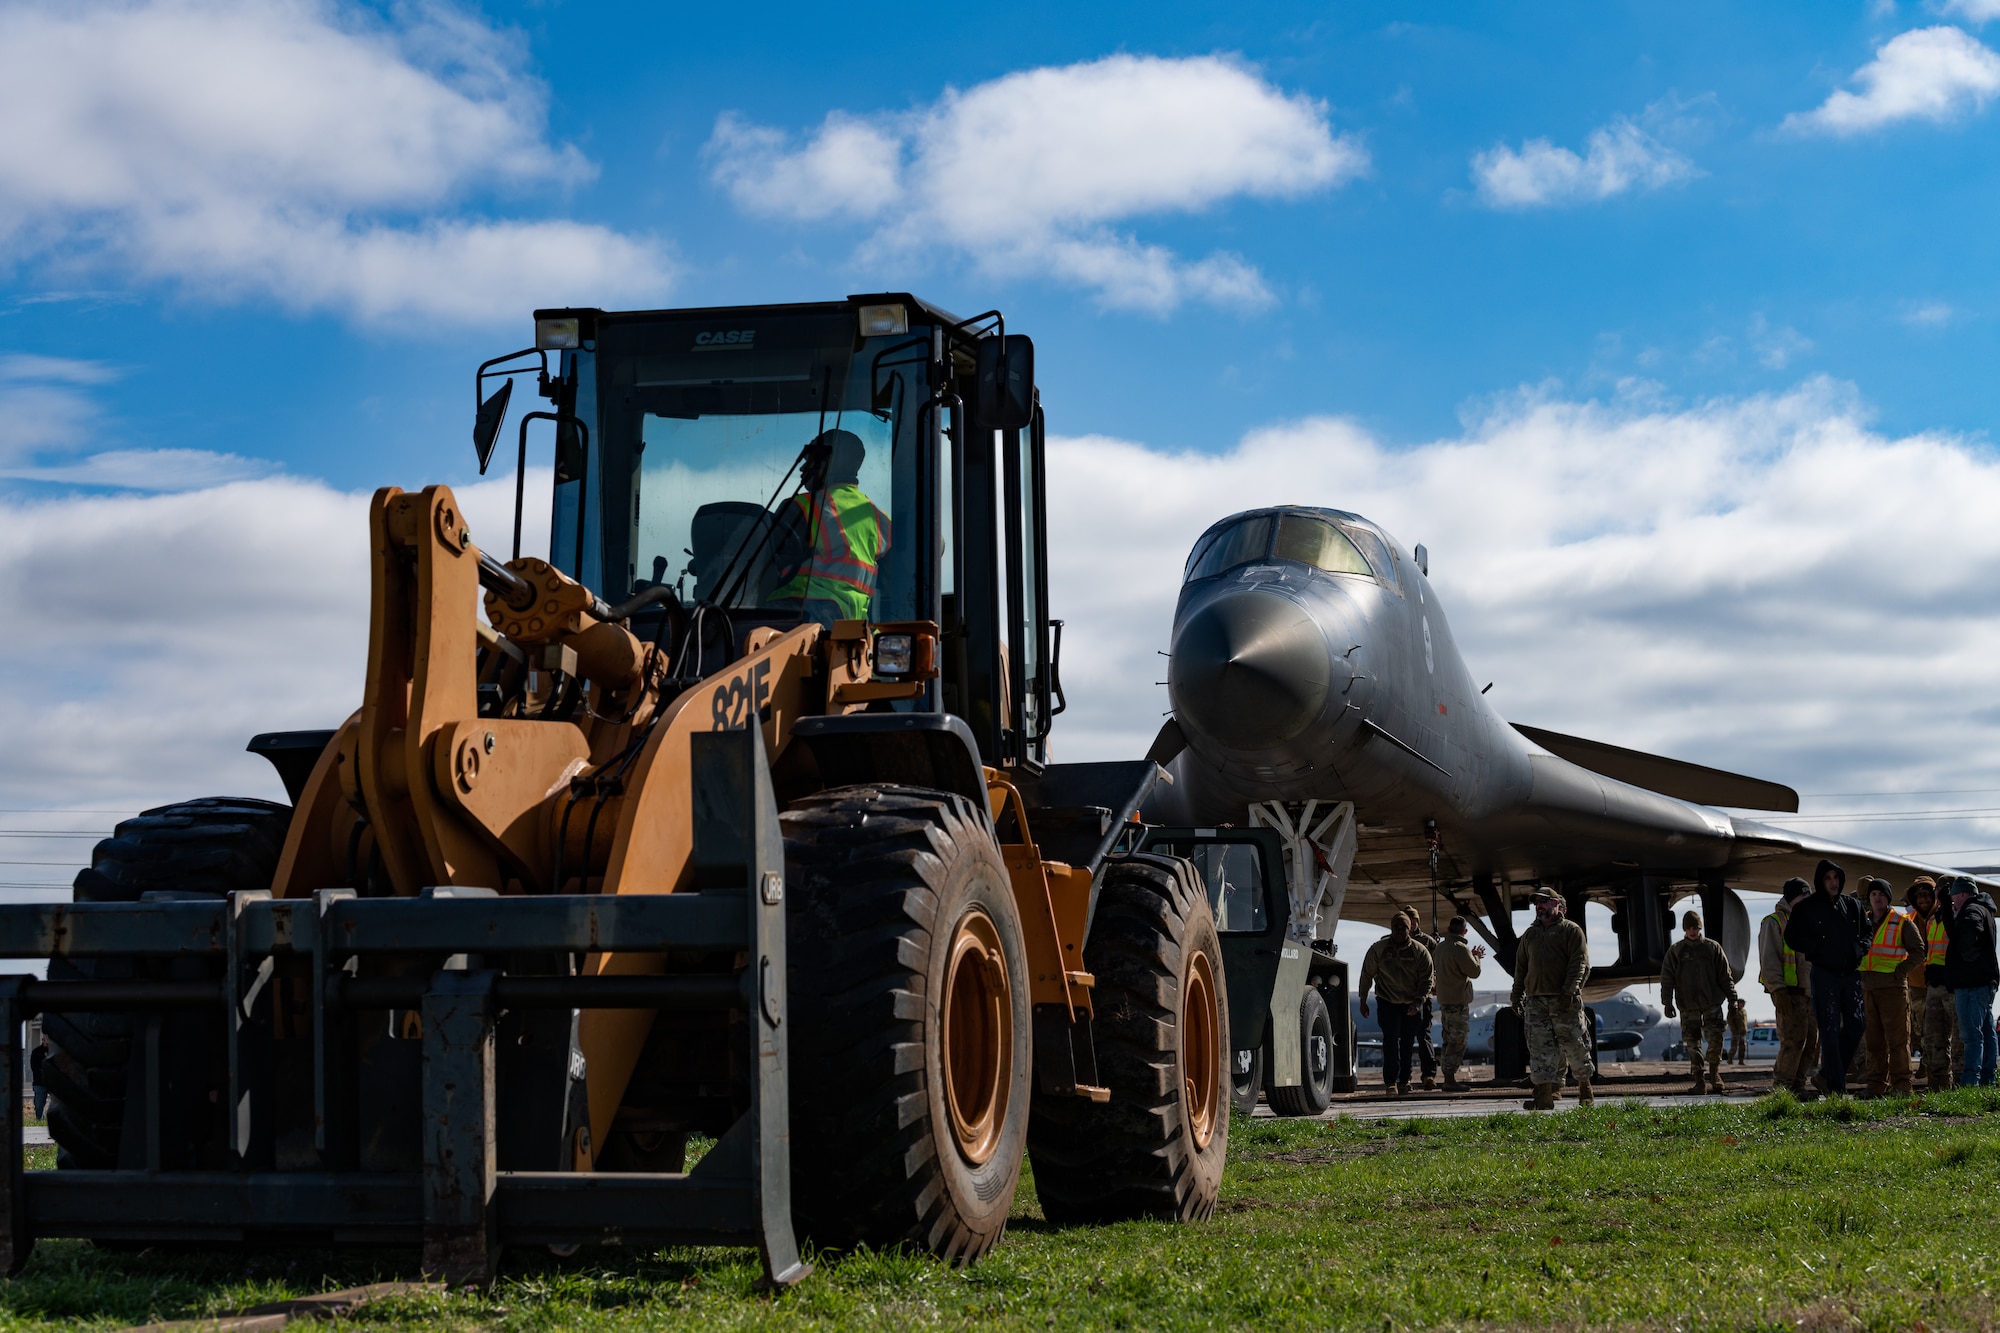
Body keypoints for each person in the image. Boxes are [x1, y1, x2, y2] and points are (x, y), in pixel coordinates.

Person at [770, 429, 890, 625]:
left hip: (798, 618)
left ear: (828, 461)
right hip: (854, 626)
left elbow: (762, 568)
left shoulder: (800, 507)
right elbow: (892, 584)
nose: (802, 469)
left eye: (809, 460)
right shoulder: (881, 519)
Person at [1785, 858, 1870, 1095]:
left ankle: (1826, 1076)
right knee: (1829, 1030)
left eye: (1836, 878)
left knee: (1857, 1024)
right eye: (1828, 878)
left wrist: (1860, 948)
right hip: (1824, 975)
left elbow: (1867, 932)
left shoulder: (1852, 905)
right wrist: (1816, 949)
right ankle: (1836, 1090)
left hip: (1850, 974)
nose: (1833, 883)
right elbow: (1792, 937)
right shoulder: (1806, 907)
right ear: (1820, 881)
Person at [1510, 886, 1593, 1109]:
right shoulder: (1530, 935)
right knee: (1539, 1050)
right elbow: (1521, 968)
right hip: (1536, 1002)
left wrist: (1570, 991)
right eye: (1536, 902)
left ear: (1556, 904)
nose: (1539, 905)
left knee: (1575, 1046)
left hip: (1564, 1001)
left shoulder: (1571, 931)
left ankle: (1585, 1090)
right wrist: (1517, 996)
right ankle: (1544, 1096)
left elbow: (1580, 964)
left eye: (1544, 901)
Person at [1853, 876, 1925, 1098]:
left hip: (1893, 989)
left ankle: (1902, 1085)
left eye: (1881, 894)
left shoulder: (1902, 921)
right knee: (1873, 1041)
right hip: (1868, 987)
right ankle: (1876, 1084)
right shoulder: (1861, 921)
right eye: (1874, 894)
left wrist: (1900, 972)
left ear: (1888, 898)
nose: (1877, 898)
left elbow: (1919, 951)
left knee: (1897, 1040)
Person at [1660, 909, 1740, 1094]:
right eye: (1689, 928)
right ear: (1684, 930)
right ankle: (1699, 1079)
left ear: (1700, 928)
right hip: (1688, 1006)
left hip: (1712, 1002)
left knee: (1716, 1040)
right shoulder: (1676, 951)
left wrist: (1732, 999)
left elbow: (1725, 976)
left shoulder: (1712, 948)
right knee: (1692, 1043)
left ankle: (1714, 1074)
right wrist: (1667, 1002)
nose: (1693, 932)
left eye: (1695, 927)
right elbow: (1667, 978)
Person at [1358, 914, 1435, 1096]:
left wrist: (1418, 1001)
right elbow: (1366, 974)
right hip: (1387, 1002)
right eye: (1396, 929)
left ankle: (1405, 1080)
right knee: (1390, 1042)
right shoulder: (1378, 949)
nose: (1399, 932)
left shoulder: (1420, 951)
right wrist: (1363, 999)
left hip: (1412, 1003)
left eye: (1403, 928)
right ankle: (1390, 1082)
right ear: (1391, 929)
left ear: (1410, 930)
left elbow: (1427, 979)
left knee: (1408, 1043)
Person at [1759, 878, 1821, 1098]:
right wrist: (1778, 990)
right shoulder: (1774, 922)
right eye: (1803, 896)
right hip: (1789, 993)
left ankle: (1797, 1086)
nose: (1807, 900)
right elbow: (1769, 960)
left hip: (1809, 993)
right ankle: (1782, 1089)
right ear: (1792, 898)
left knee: (1810, 1043)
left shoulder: (1811, 922)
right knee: (1793, 1042)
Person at [1937, 876, 2000, 1087]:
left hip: (1972, 983)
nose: (1953, 901)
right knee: (1986, 1032)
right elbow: (1956, 932)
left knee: (1971, 1035)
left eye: (1954, 897)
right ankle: (1988, 1079)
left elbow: (1966, 931)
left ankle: (1970, 1082)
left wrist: (1965, 956)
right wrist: (1946, 906)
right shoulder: (1985, 910)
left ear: (1963, 894)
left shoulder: (1971, 911)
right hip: (1985, 982)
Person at [1907, 879, 1962, 1091]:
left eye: (1929, 895)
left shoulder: (1954, 916)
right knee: (1929, 1035)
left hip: (1948, 985)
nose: (1924, 899)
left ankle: (1957, 1083)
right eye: (1919, 896)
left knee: (1955, 1036)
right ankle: (1938, 1082)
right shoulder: (1924, 920)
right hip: (1926, 985)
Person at [1435, 915, 1486, 1091]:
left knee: (1448, 1040)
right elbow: (1474, 971)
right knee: (1458, 1041)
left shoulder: (1440, 948)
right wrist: (1477, 957)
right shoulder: (1460, 948)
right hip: (1458, 1004)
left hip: (1445, 1003)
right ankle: (1450, 1079)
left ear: (1449, 929)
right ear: (1464, 931)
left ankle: (1447, 1076)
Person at [1402, 909, 1443, 1091]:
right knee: (1405, 1038)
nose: (1411, 923)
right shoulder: (1395, 941)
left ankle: (1428, 1075)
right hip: (1402, 996)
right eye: (1407, 920)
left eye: (1413, 920)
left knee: (1424, 1036)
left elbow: (1437, 966)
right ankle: (1404, 1077)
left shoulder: (1428, 942)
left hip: (1424, 996)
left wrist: (1433, 985)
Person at [28, 1038, 47, 1121]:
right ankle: (40, 1119)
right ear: (43, 1040)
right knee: (39, 1104)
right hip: (40, 1082)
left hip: (55, 1082)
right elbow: (34, 1067)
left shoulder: (56, 1050)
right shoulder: (36, 1052)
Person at [1726, 998, 1749, 1065]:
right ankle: (1730, 1059)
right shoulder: (1733, 1011)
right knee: (1734, 1048)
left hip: (1742, 1032)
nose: (1743, 1005)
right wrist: (1734, 1029)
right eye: (1742, 1003)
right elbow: (1730, 1020)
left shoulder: (1743, 1011)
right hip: (1736, 1032)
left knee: (1742, 1048)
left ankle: (1741, 1061)